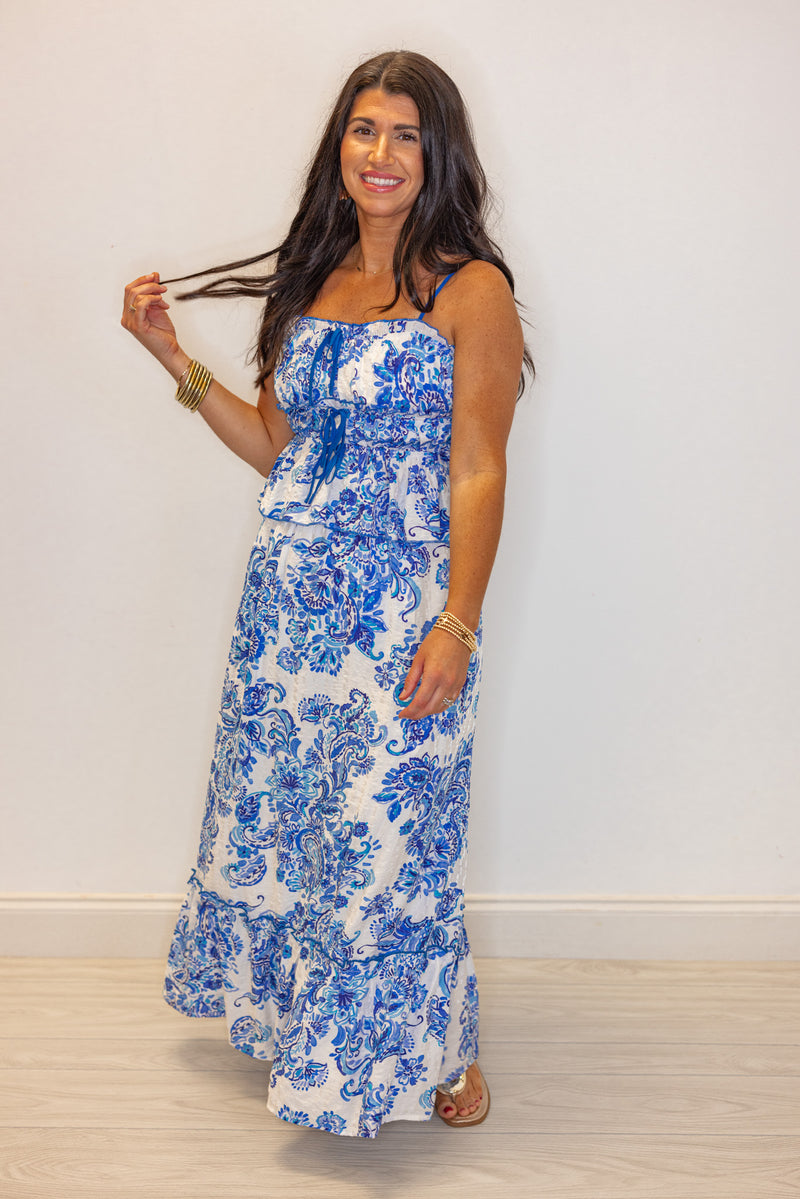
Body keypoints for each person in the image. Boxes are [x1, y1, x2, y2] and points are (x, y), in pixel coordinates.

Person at [122, 49, 527, 1139]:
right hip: (287, 618)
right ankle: (309, 1035)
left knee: (394, 837)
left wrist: (458, 621)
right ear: (339, 145)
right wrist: (171, 355)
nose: (381, 152)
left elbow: (478, 466)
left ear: (438, 154)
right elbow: (278, 447)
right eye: (364, 128)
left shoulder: (469, 289)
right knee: (303, 827)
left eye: (406, 134)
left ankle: (440, 1045)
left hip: (402, 620)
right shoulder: (311, 282)